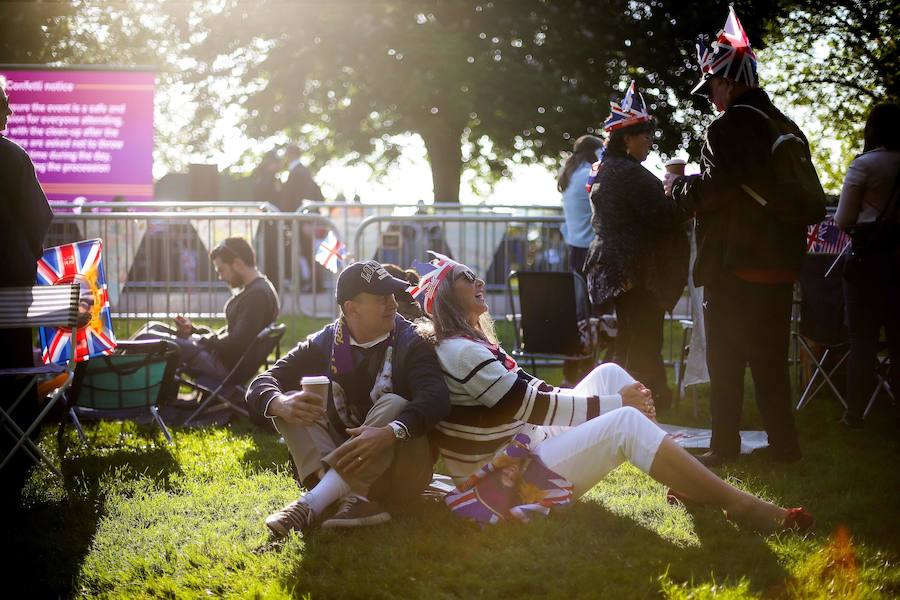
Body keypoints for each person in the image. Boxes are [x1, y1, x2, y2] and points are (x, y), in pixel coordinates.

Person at [415, 252, 812, 531]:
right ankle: (737, 504)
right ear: (449, 297)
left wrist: (610, 396)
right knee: (622, 419)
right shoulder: (460, 350)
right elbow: (530, 405)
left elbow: (535, 393)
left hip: (521, 448)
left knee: (607, 371)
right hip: (503, 482)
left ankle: (685, 481)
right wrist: (615, 404)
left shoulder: (469, 344)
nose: (480, 281)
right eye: (468, 278)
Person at [664, 8, 824, 465]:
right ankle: (785, 448)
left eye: (711, 86)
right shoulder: (786, 127)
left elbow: (713, 193)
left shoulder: (726, 127)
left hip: (734, 266)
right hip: (779, 266)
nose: (710, 96)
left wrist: (680, 188)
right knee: (772, 363)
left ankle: (724, 447)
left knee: (727, 363)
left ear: (728, 81)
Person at [246, 260, 449, 538]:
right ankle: (350, 496)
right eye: (381, 298)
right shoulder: (325, 341)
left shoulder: (411, 339)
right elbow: (261, 383)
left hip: (399, 470)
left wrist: (389, 433)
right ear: (352, 309)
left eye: (392, 295)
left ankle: (314, 501)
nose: (392, 304)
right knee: (292, 402)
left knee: (394, 404)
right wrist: (280, 403)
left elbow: (435, 398)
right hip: (347, 453)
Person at [583, 81, 689, 411]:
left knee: (631, 338)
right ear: (626, 138)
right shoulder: (630, 173)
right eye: (645, 137)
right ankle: (650, 403)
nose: (650, 143)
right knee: (643, 339)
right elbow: (667, 216)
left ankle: (623, 403)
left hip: (615, 269)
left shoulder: (608, 170)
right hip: (635, 271)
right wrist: (680, 190)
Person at [0, 76, 54, 502]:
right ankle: (17, 451)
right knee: (16, 357)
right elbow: (40, 216)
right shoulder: (13, 157)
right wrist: (29, 254)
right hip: (12, 283)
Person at [834, 103, 900, 429]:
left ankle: (854, 414)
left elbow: (843, 218)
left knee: (862, 340)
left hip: (866, 263)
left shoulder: (865, 166)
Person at [134, 237, 279, 384]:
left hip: (224, 367)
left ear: (237, 264)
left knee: (146, 338)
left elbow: (236, 343)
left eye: (221, 270)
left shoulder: (256, 296)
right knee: (153, 327)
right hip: (221, 359)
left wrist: (200, 339)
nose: (220, 276)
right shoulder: (258, 290)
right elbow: (235, 335)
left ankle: (123, 385)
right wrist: (194, 332)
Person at [558, 134, 604, 279]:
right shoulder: (590, 175)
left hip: (574, 247)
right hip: (591, 248)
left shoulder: (568, 174)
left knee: (581, 298)